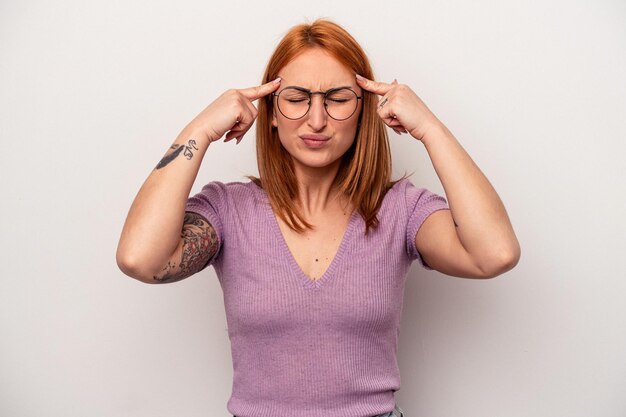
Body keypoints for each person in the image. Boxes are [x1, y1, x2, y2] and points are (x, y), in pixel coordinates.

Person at [116, 18, 520, 417]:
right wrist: (200, 130)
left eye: (338, 98)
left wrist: (430, 127)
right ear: (271, 112)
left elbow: (495, 254)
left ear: (364, 113)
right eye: (296, 98)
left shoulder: (400, 209)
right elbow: (140, 259)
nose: (317, 119)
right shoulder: (228, 210)